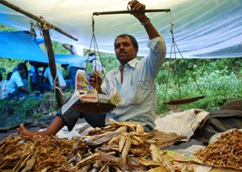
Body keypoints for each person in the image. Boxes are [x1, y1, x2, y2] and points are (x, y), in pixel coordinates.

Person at [17, 0, 166, 137]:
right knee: (78, 98)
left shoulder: (146, 67)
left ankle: (45, 134)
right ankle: (47, 134)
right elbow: (109, 102)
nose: (121, 48)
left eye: (125, 45)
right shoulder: (112, 75)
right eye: (117, 46)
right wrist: (98, 89)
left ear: (136, 49)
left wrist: (143, 19)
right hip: (113, 124)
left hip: (138, 127)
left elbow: (159, 47)